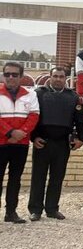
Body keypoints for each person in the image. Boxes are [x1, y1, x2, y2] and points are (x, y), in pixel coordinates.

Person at [28, 67, 83, 221]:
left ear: (66, 78)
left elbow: (80, 120)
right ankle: (35, 210)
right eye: (55, 76)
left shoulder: (73, 97)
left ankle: (52, 209)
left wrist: (81, 138)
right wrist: (33, 137)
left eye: (61, 76)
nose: (58, 79)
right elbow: (32, 117)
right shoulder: (38, 94)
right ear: (50, 77)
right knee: (38, 177)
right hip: (42, 142)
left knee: (57, 177)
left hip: (62, 143)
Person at [0, 62, 40, 224]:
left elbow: (34, 116)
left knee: (15, 179)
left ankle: (11, 212)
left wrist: (20, 133)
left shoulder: (30, 94)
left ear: (21, 76)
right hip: (1, 142)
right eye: (7, 74)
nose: (10, 77)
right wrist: (10, 132)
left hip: (20, 144)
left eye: (15, 74)